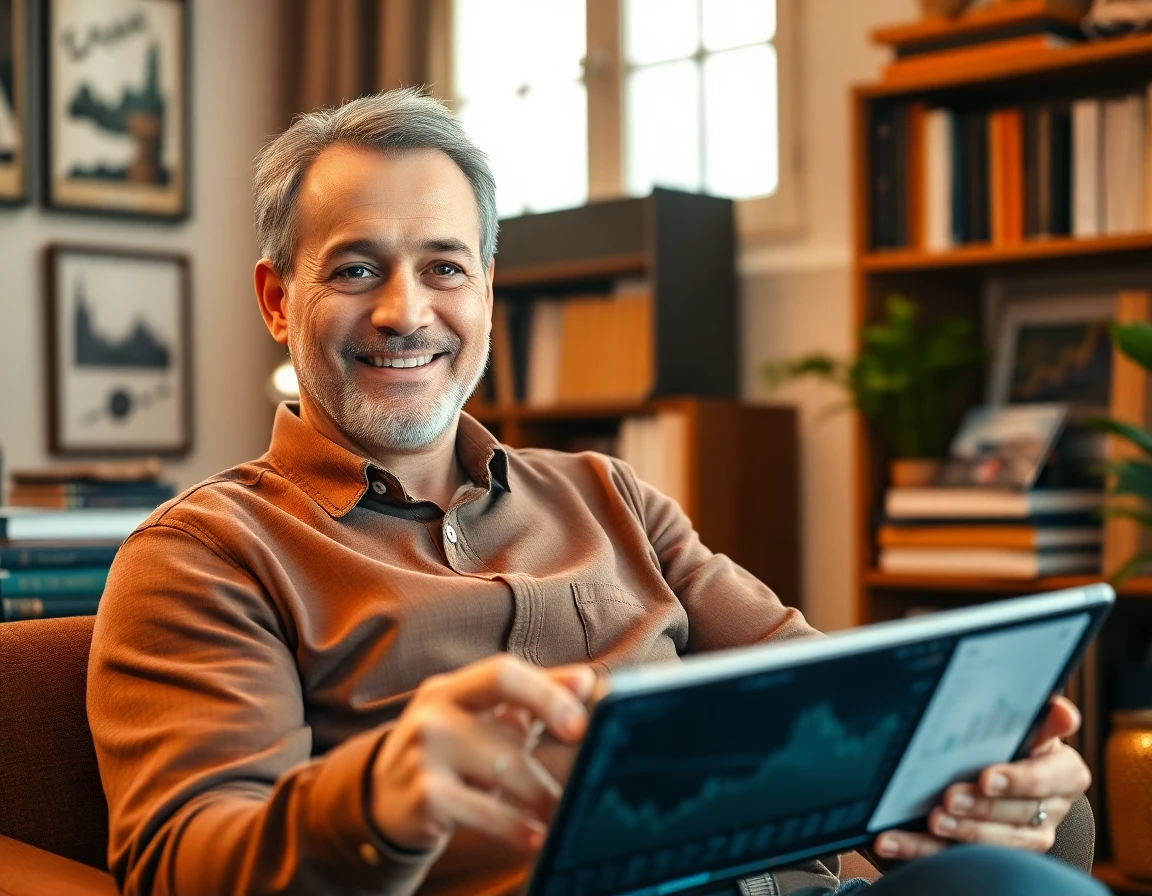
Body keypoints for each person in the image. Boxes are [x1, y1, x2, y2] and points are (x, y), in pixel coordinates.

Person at [87, 89, 1106, 896]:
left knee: (1021, 870)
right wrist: (377, 802)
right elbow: (187, 859)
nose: (405, 311)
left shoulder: (616, 498)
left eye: (443, 266)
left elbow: (852, 713)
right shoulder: (204, 553)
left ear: (487, 292)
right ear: (278, 298)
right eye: (355, 268)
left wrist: (1010, 781)